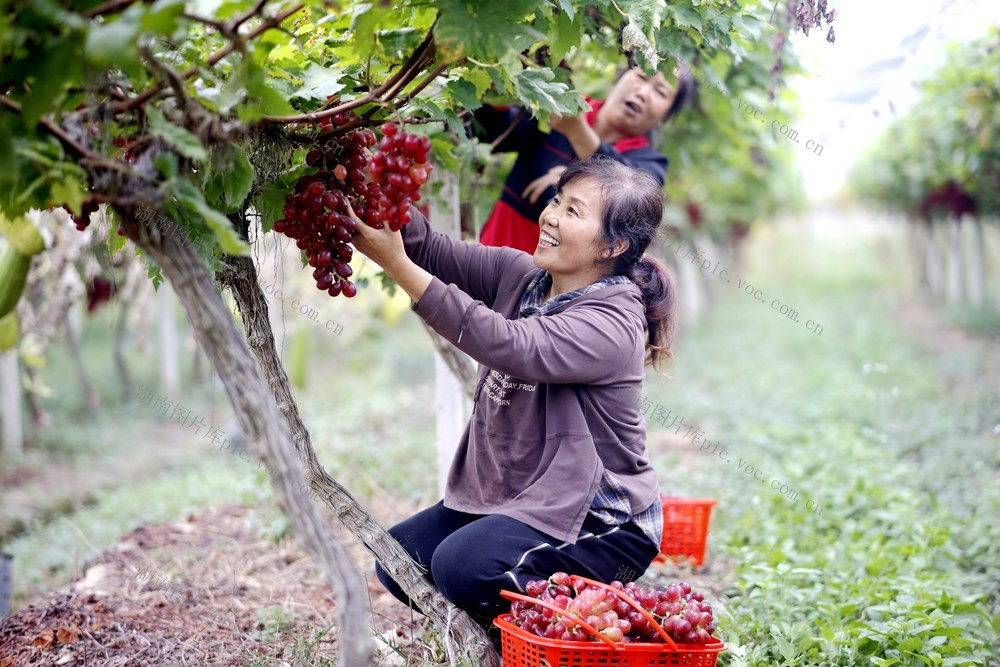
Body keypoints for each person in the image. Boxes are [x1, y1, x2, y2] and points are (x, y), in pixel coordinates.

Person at [350, 155, 678, 637]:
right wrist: (365, 175)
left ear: (614, 245)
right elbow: (426, 247)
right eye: (557, 201)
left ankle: (588, 629)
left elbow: (512, 346)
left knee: (462, 569)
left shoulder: (612, 323)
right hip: (527, 497)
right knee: (398, 561)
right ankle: (505, 635)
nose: (550, 216)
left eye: (573, 212)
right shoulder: (521, 277)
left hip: (600, 523)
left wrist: (395, 266)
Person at [474, 63, 694, 253]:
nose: (643, 93)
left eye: (661, 92)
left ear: (663, 118)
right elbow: (491, 133)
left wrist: (573, 176)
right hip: (492, 260)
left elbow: (627, 200)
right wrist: (497, 90)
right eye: (641, 76)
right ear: (617, 80)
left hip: (555, 294)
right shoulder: (562, 109)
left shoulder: (649, 166)